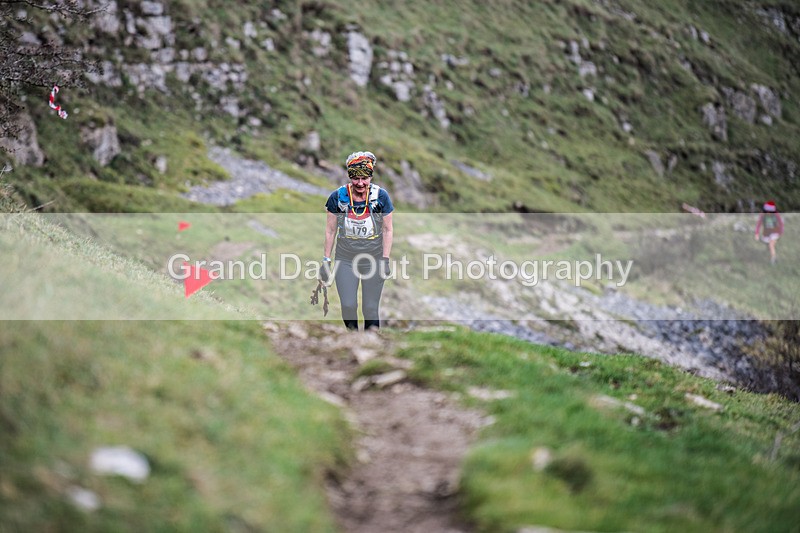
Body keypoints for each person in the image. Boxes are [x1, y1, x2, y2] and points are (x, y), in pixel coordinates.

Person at [321, 151, 394, 330]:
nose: (360, 183)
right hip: (346, 259)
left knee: (370, 308)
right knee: (348, 305)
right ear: (349, 177)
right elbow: (330, 231)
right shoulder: (337, 198)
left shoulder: (381, 197)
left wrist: (385, 259)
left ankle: (372, 343)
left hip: (374, 259)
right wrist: (326, 261)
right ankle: (353, 339)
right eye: (355, 178)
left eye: (364, 178)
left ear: (370, 176)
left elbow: (388, 229)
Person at [754, 201, 784, 265]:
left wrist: (780, 232)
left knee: (771, 244)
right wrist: (756, 233)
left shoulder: (776, 215)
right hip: (767, 232)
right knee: (768, 245)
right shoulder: (762, 215)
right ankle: (771, 254)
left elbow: (781, 223)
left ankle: (773, 259)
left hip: (775, 232)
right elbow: (758, 224)